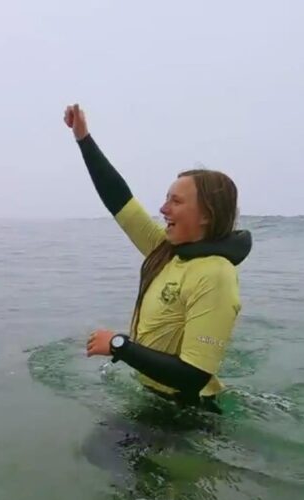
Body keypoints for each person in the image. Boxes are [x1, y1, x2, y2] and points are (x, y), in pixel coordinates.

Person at [65, 103, 252, 414]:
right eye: (166, 199)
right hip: (152, 401)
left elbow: (193, 377)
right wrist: (83, 138)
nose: (163, 209)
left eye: (175, 201)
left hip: (187, 416)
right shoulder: (165, 251)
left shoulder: (215, 274)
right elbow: (119, 199)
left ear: (206, 214)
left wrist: (118, 345)